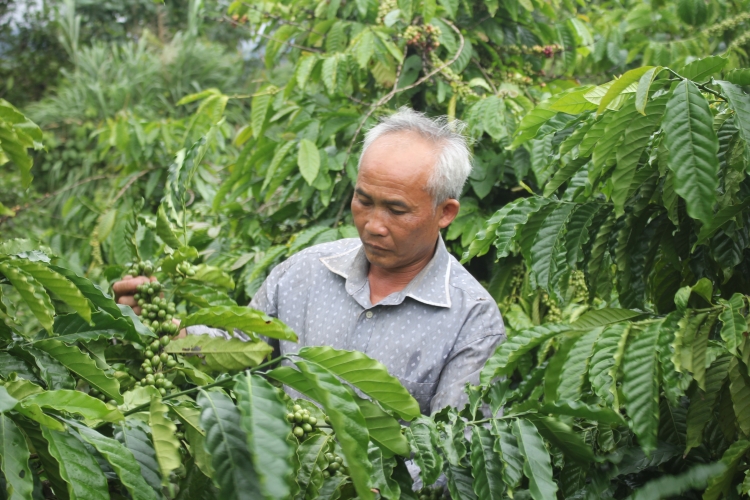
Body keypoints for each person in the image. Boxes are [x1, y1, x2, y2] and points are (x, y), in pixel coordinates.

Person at [114, 107, 506, 414]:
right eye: (363, 201)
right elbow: (237, 347)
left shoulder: (472, 322)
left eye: (397, 211)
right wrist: (160, 323)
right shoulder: (303, 273)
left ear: (445, 212)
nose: (372, 225)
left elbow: (454, 448)